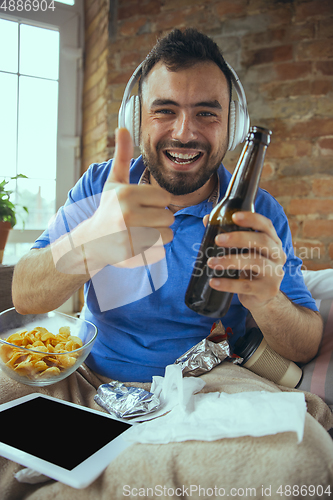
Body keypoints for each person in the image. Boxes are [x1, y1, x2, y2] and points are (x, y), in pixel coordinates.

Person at [12, 28, 322, 384]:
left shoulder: (259, 213)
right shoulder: (99, 185)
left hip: (206, 388)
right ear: (137, 119)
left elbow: (306, 345)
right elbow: (25, 296)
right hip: (89, 377)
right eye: (165, 110)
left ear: (232, 127)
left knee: (302, 437)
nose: (184, 133)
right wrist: (89, 243)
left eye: (206, 113)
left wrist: (267, 301)